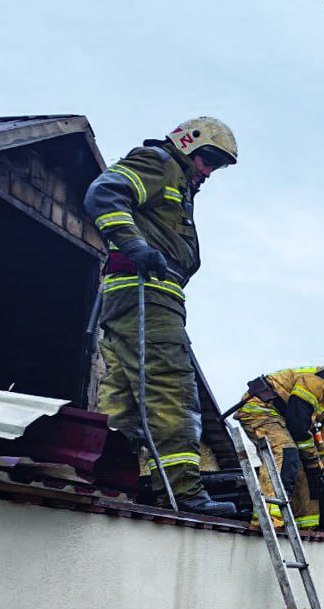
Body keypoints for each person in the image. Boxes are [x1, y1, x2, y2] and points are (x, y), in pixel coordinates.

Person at [84, 116, 238, 516]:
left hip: (139, 297)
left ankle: (106, 479)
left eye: (217, 166)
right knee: (171, 385)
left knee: (121, 398)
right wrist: (135, 245)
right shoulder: (158, 162)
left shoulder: (179, 183)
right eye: (208, 160)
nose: (209, 172)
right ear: (188, 144)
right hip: (147, 294)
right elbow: (104, 193)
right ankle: (182, 491)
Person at [234, 358, 324, 529]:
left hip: (283, 418)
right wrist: (314, 464)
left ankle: (305, 527)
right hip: (261, 409)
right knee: (285, 452)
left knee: (304, 472)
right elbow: (298, 427)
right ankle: (268, 520)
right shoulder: (315, 384)